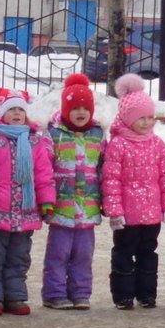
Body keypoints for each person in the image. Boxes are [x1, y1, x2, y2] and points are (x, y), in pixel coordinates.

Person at [0, 86, 54, 315]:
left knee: (19, 258)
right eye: (11, 109)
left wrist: (46, 202)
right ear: (0, 113)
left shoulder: (34, 142)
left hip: (24, 213)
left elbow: (43, 174)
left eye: (21, 110)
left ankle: (15, 296)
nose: (17, 114)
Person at [100, 74, 165, 309]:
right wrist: (114, 211)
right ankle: (123, 295)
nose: (146, 123)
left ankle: (147, 293)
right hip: (127, 215)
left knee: (148, 254)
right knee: (123, 253)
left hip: (151, 213)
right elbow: (111, 180)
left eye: (149, 118)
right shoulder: (119, 144)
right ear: (126, 118)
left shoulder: (157, 144)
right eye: (140, 118)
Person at [40, 74, 106, 309]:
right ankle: (54, 293)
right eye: (75, 108)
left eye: (85, 108)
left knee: (83, 255)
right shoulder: (53, 135)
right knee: (58, 254)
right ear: (66, 109)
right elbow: (44, 170)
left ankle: (80, 293)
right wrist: (46, 200)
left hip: (88, 207)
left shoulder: (98, 136)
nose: (80, 113)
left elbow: (103, 169)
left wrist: (106, 199)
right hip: (61, 207)